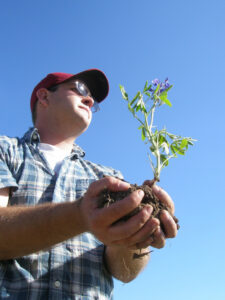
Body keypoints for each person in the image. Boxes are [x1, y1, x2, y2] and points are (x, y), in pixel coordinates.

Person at [0, 69, 178, 299]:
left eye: (93, 100)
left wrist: (137, 236)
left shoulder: (107, 176)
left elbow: (123, 273)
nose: (90, 100)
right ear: (44, 97)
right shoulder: (6, 150)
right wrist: (80, 216)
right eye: (80, 89)